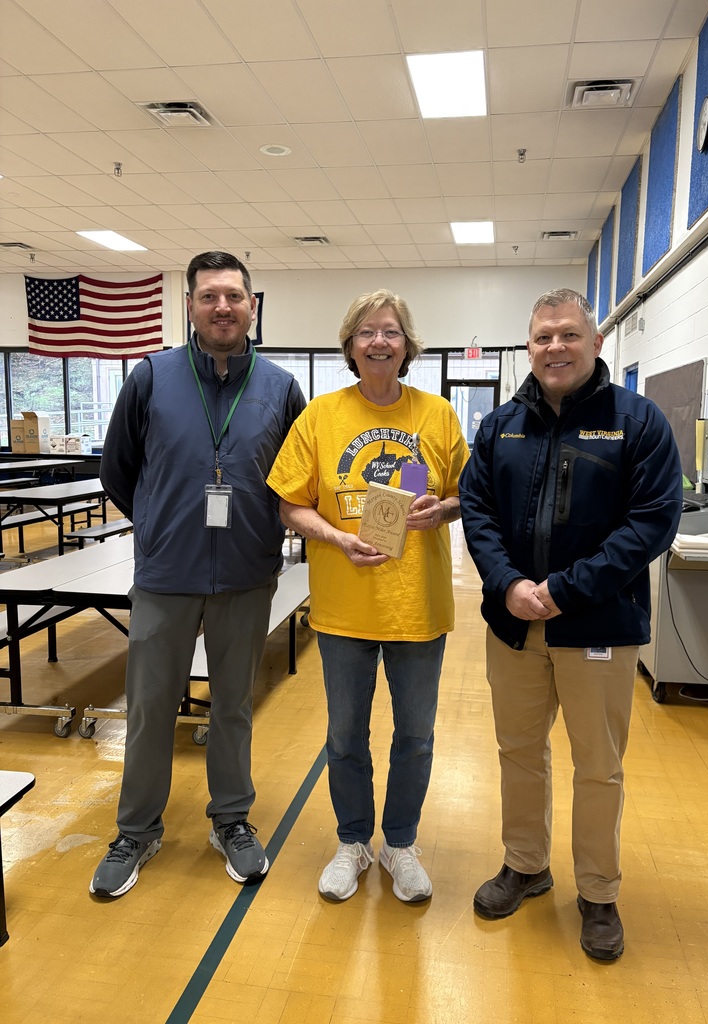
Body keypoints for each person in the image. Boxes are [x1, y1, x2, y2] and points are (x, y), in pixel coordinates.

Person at [459, 288, 681, 960]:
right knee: (519, 753)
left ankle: (599, 893)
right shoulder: (501, 427)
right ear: (529, 347)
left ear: (595, 342)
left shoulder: (637, 423)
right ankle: (526, 865)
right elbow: (478, 512)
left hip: (600, 627)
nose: (555, 348)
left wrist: (564, 590)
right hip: (514, 627)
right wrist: (509, 585)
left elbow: (651, 522)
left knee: (599, 767)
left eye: (567, 336)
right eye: (542, 338)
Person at [90, 251, 306, 898]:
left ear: (252, 306)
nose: (222, 307)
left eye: (234, 296)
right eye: (209, 295)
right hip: (165, 575)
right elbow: (117, 471)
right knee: (151, 708)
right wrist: (160, 525)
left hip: (246, 574)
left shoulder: (279, 387)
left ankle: (232, 819)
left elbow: (296, 479)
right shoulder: (151, 377)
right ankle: (137, 829)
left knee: (232, 706)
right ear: (189, 305)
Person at [267, 289, 469, 904]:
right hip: (344, 608)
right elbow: (288, 504)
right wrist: (336, 536)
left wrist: (443, 512)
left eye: (390, 331)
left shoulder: (436, 416)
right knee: (345, 736)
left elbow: (468, 495)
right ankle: (353, 841)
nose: (378, 341)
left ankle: (399, 844)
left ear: (408, 346)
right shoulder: (320, 417)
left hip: (418, 609)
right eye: (366, 332)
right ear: (350, 346)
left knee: (416, 736)